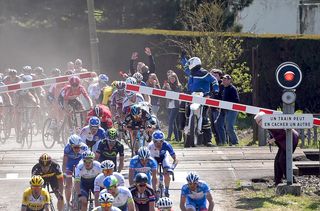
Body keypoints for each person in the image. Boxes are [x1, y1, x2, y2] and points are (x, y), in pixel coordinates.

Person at [181, 55, 219, 146]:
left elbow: (214, 80)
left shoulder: (204, 73)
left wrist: (216, 89)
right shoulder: (191, 73)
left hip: (204, 96)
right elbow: (186, 67)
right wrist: (183, 58)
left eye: (190, 63)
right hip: (191, 95)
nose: (189, 66)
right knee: (184, 111)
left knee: (205, 118)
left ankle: (208, 140)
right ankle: (184, 130)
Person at [254, 112, 299, 186]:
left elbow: (285, 132)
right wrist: (272, 139)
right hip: (284, 143)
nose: (258, 124)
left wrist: (274, 139)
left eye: (258, 122)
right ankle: (278, 181)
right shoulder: (268, 124)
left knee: (282, 160)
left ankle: (291, 179)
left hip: (291, 140)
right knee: (277, 161)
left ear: (263, 119)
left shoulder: (271, 123)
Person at [148, 130, 178, 197]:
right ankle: (154, 190)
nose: (158, 144)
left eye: (161, 141)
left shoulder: (167, 145)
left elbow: (176, 160)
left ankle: (167, 190)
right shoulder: (150, 146)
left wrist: (172, 168)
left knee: (167, 173)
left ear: (163, 140)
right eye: (156, 141)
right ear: (153, 140)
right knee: (154, 173)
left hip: (163, 158)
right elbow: (147, 159)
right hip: (154, 158)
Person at [62, 134, 89, 208]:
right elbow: (64, 163)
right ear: (71, 146)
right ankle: (67, 203)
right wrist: (64, 173)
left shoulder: (84, 147)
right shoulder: (67, 148)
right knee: (68, 185)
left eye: (78, 147)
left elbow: (89, 160)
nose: (77, 149)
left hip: (80, 162)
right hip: (70, 163)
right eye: (75, 147)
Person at [219, 74, 240, 146]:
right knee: (227, 127)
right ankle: (231, 143)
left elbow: (237, 100)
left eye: (225, 79)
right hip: (227, 110)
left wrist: (228, 104)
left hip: (233, 110)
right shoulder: (224, 89)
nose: (223, 81)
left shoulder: (232, 88)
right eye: (223, 79)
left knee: (229, 127)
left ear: (229, 80)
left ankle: (235, 142)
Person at [163, 72, 182, 142]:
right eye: (170, 78)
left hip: (175, 105)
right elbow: (163, 92)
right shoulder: (168, 85)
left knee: (170, 121)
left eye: (173, 78)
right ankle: (177, 138)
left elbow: (174, 94)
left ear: (176, 78)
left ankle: (169, 137)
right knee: (173, 122)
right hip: (169, 105)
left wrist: (168, 88)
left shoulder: (179, 86)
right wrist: (165, 86)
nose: (172, 80)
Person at [210, 69, 224, 145]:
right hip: (211, 107)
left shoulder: (221, 85)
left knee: (218, 125)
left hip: (218, 108)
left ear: (220, 76)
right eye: (212, 75)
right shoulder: (211, 84)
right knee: (213, 126)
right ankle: (218, 141)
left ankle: (222, 141)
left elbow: (221, 96)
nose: (214, 77)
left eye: (215, 75)